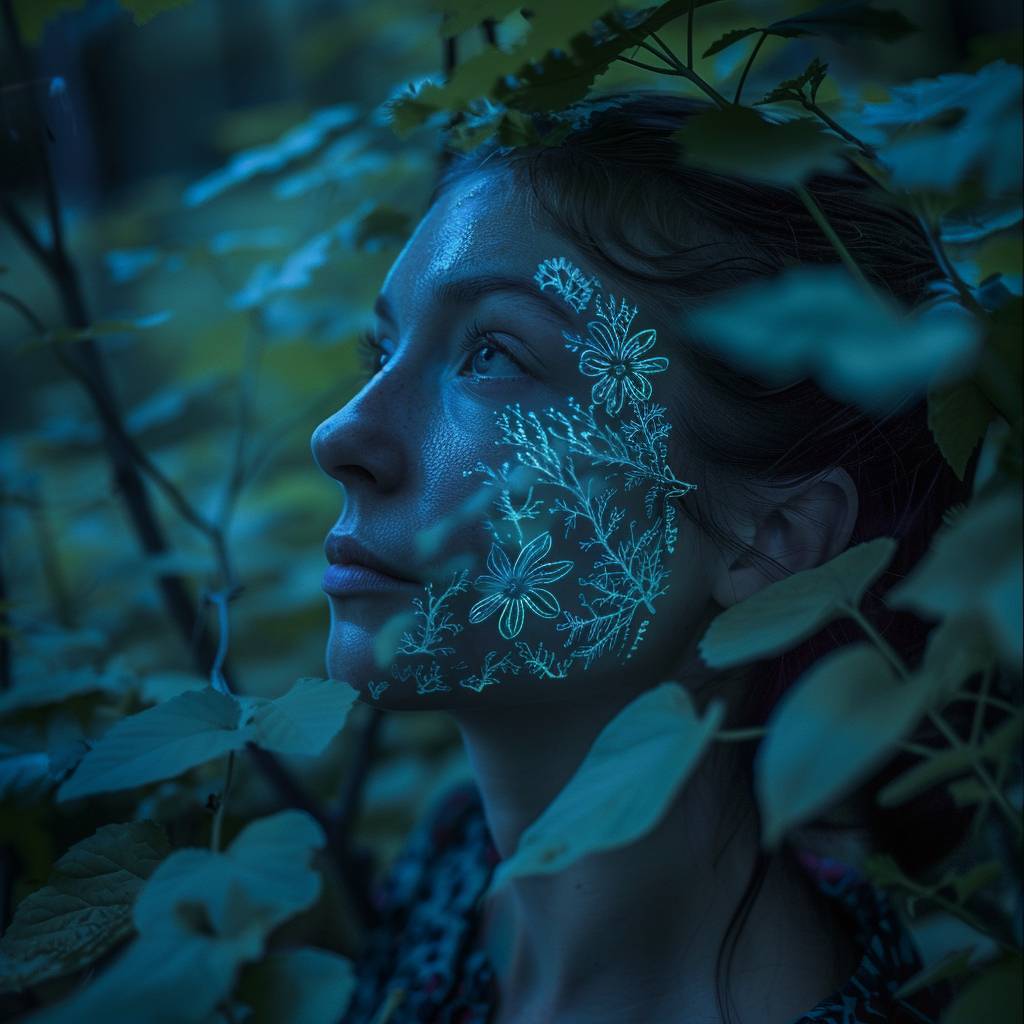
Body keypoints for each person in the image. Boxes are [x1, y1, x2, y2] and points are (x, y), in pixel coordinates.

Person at [312, 91, 969, 1024]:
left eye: (493, 354)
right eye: (381, 350)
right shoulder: (452, 870)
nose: (341, 435)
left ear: (773, 540)